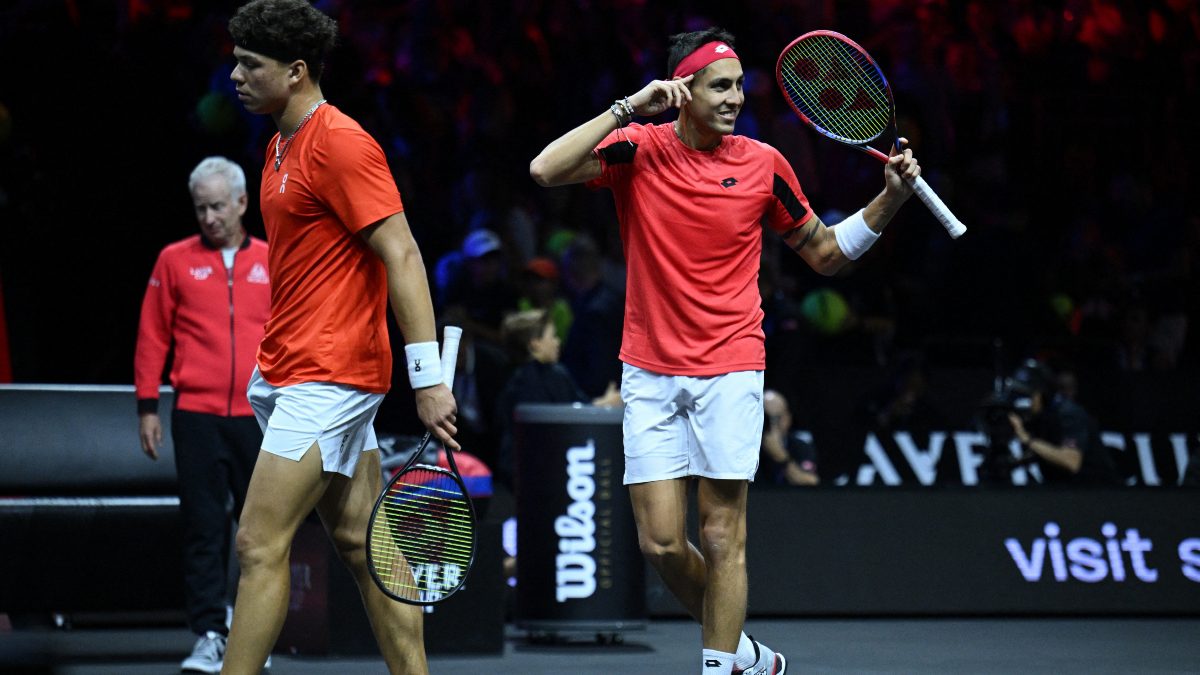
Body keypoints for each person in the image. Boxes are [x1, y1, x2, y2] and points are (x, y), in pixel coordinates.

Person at [530, 27, 922, 675]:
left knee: (721, 535)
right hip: (649, 369)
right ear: (682, 90)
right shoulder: (637, 148)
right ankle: (741, 652)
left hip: (732, 364)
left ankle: (719, 667)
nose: (736, 97)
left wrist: (891, 198)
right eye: (720, 85)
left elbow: (824, 252)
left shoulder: (764, 163)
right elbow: (545, 169)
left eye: (739, 84)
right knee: (659, 542)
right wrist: (631, 103)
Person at [225, 2, 457, 673]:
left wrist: (429, 377)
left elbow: (404, 254)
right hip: (291, 368)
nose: (235, 75)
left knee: (258, 545)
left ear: (296, 71)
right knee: (361, 542)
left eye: (250, 65)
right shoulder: (277, 145)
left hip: (330, 377)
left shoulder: (342, 143)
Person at [134, 156, 271, 674]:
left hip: (260, 415)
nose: (209, 217)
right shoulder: (174, 260)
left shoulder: (273, 259)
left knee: (261, 532)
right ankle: (211, 634)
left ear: (241, 202)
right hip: (196, 414)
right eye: (200, 208)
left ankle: (254, 638)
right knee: (204, 529)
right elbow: (153, 336)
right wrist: (148, 405)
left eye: (217, 206)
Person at [494, 309, 621, 483]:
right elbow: (572, 418)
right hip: (549, 474)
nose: (557, 342)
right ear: (535, 343)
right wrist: (607, 405)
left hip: (515, 473)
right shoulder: (553, 375)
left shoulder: (510, 376)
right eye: (552, 336)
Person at [1004, 359, 1120, 486]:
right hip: (1066, 492)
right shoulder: (1038, 416)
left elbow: (1071, 462)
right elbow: (1048, 449)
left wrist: (1026, 439)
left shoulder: (1069, 414)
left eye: (1027, 395)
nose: (1022, 401)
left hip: (1099, 493)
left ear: (1043, 394)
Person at [760, 390, 819, 487]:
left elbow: (812, 481)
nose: (772, 425)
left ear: (788, 418)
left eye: (777, 418)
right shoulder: (748, 448)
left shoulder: (801, 446)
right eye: (766, 419)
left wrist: (782, 457)